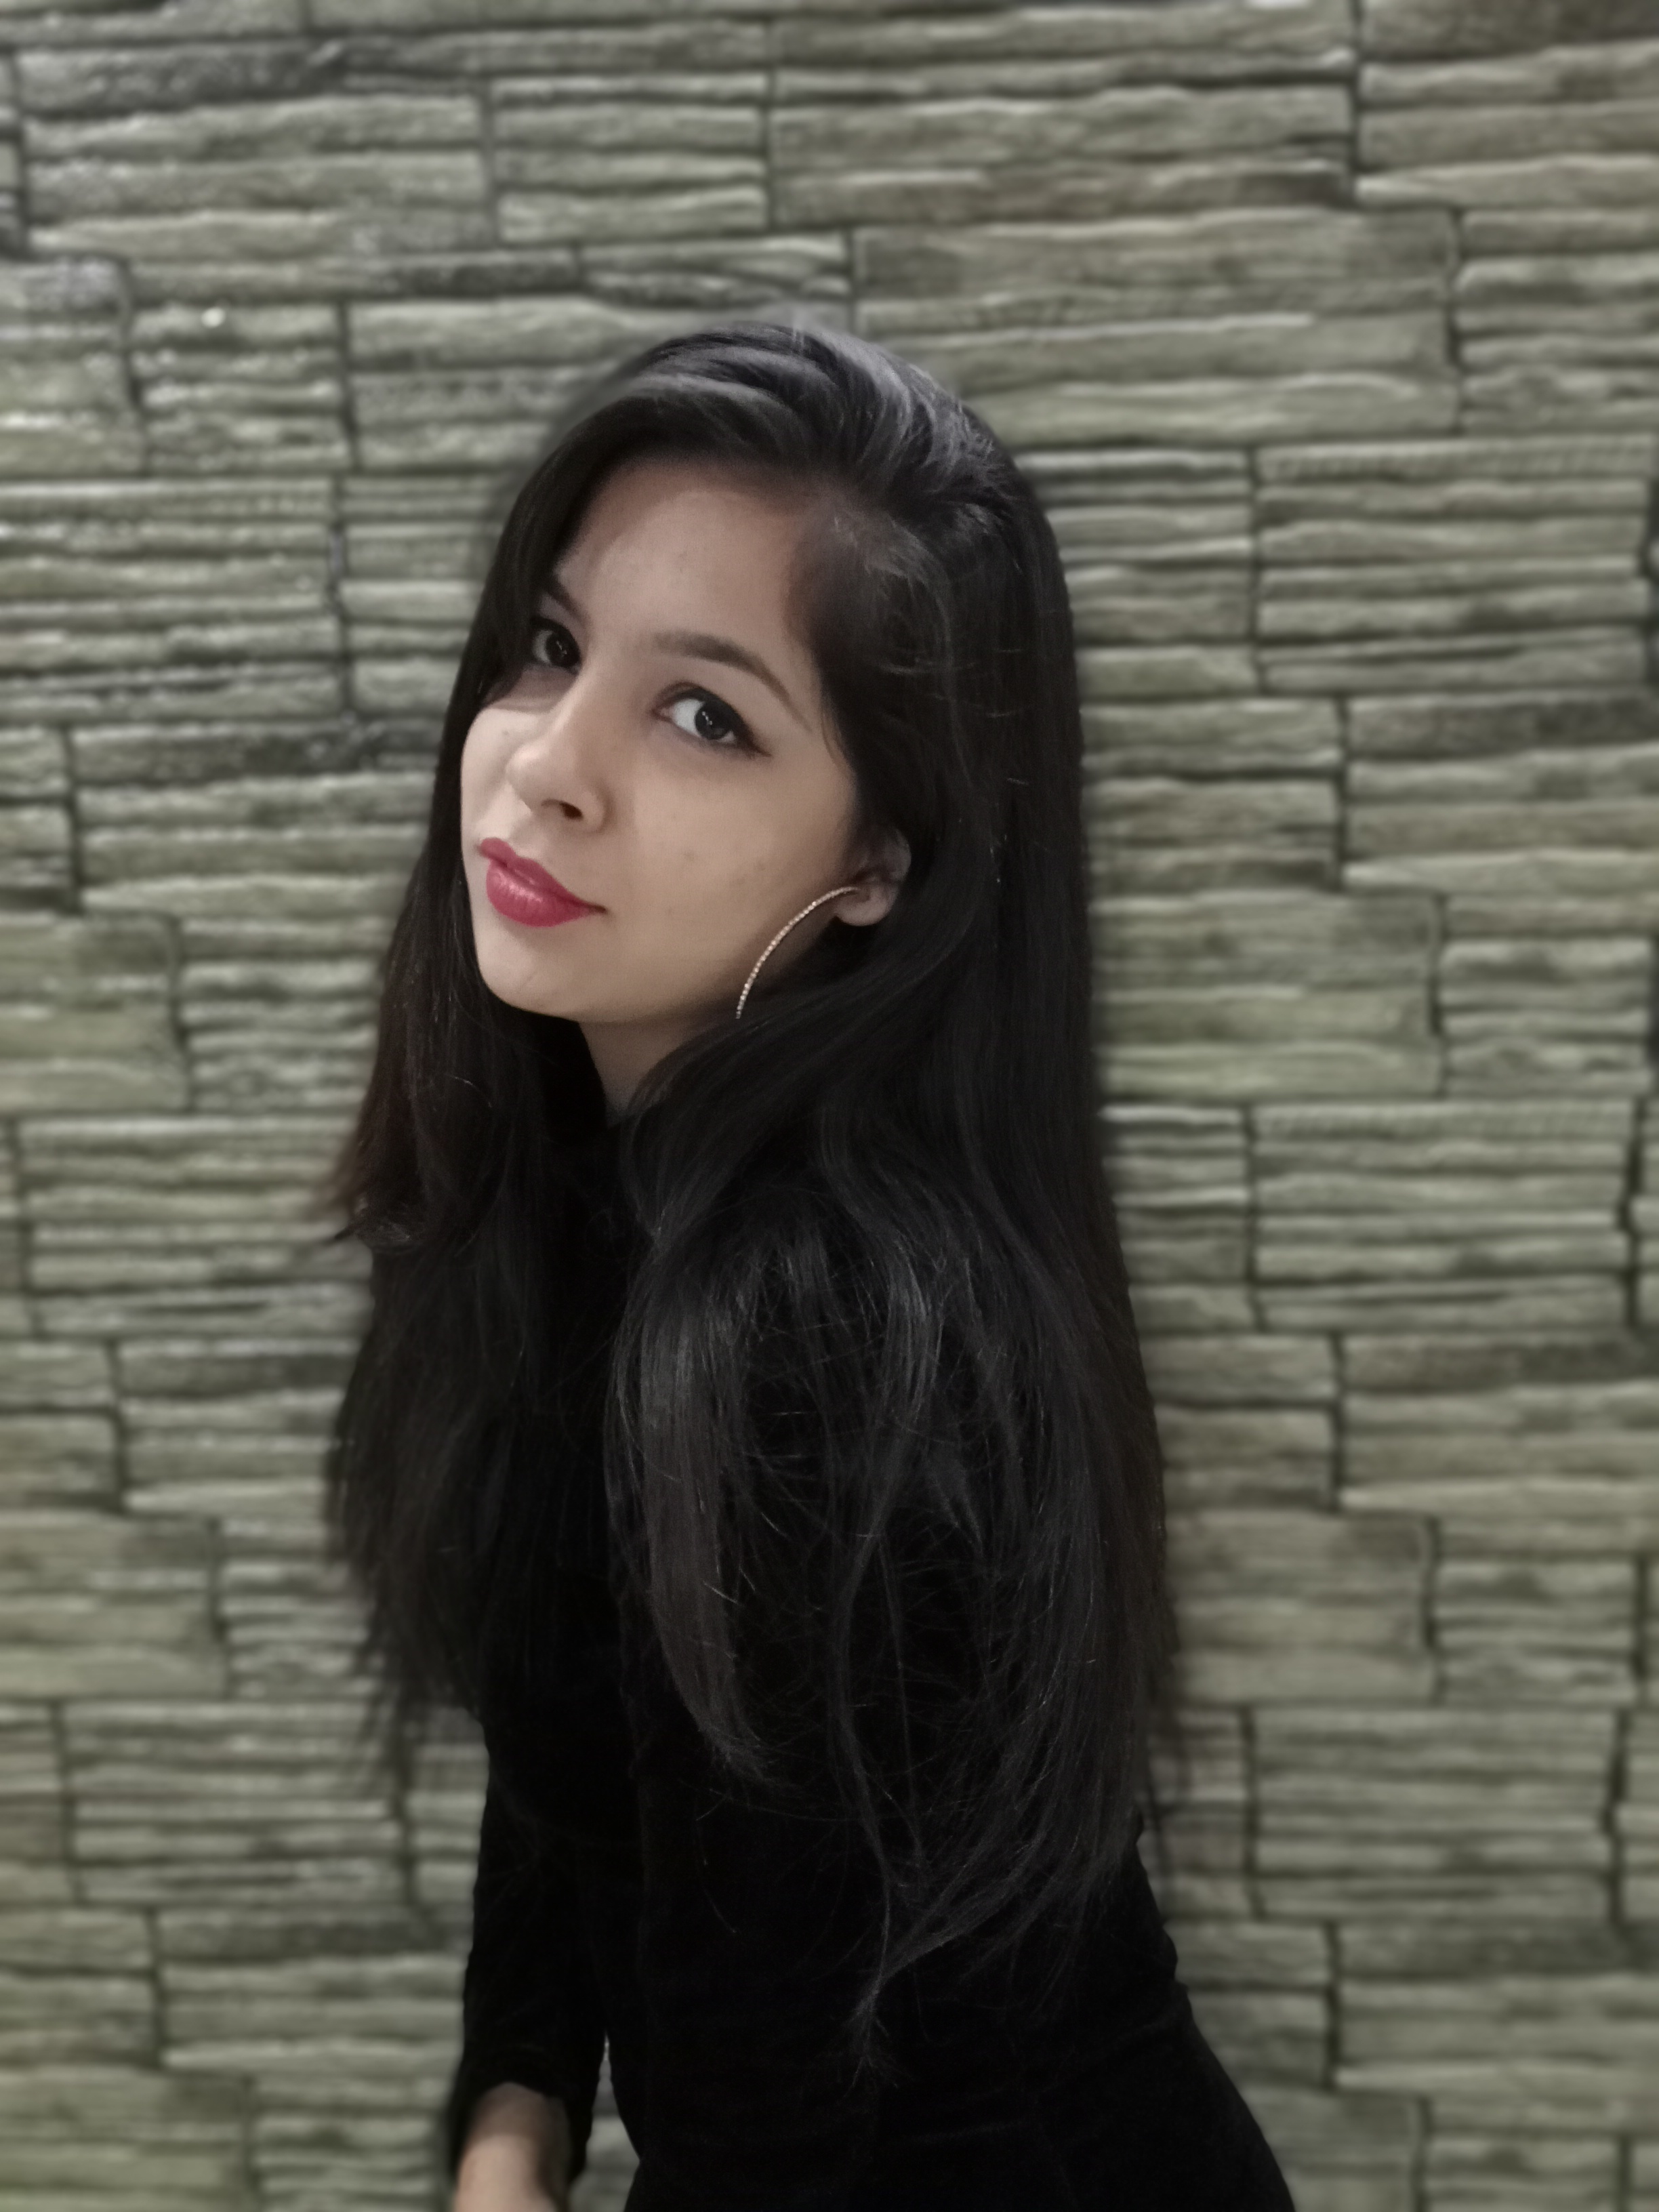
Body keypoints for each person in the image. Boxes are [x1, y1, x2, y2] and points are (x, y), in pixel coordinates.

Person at [324, 321, 1295, 2212]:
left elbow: (771, 2107)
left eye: (706, 715)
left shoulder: (821, 1331)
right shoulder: (572, 1201)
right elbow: (579, 1754)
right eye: (553, 647)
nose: (551, 768)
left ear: (877, 863)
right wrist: (514, 2117)